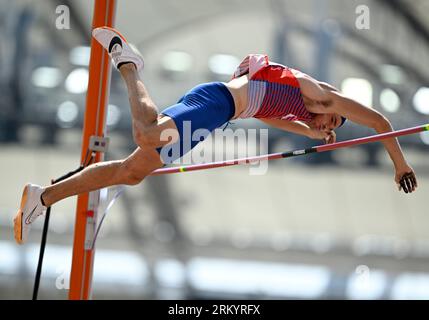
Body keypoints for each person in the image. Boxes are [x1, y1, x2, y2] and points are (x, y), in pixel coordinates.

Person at [13, 27, 418, 244]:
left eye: (329, 128)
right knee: (146, 133)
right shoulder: (324, 97)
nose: (327, 127)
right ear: (334, 111)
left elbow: (273, 120)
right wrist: (399, 164)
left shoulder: (297, 107)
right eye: (332, 124)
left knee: (132, 171)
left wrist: (309, 133)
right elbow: (379, 122)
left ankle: (41, 197)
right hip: (218, 101)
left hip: (218, 113)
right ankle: (127, 61)